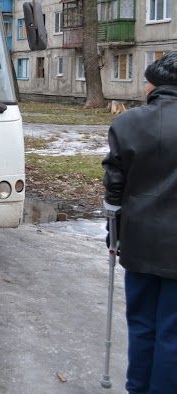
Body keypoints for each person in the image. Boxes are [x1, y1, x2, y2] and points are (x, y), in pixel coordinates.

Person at [103, 51, 177, 393]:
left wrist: (113, 236)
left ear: (156, 85)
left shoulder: (127, 123)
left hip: (138, 241)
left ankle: (137, 388)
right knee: (172, 332)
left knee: (142, 324)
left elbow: (114, 190)